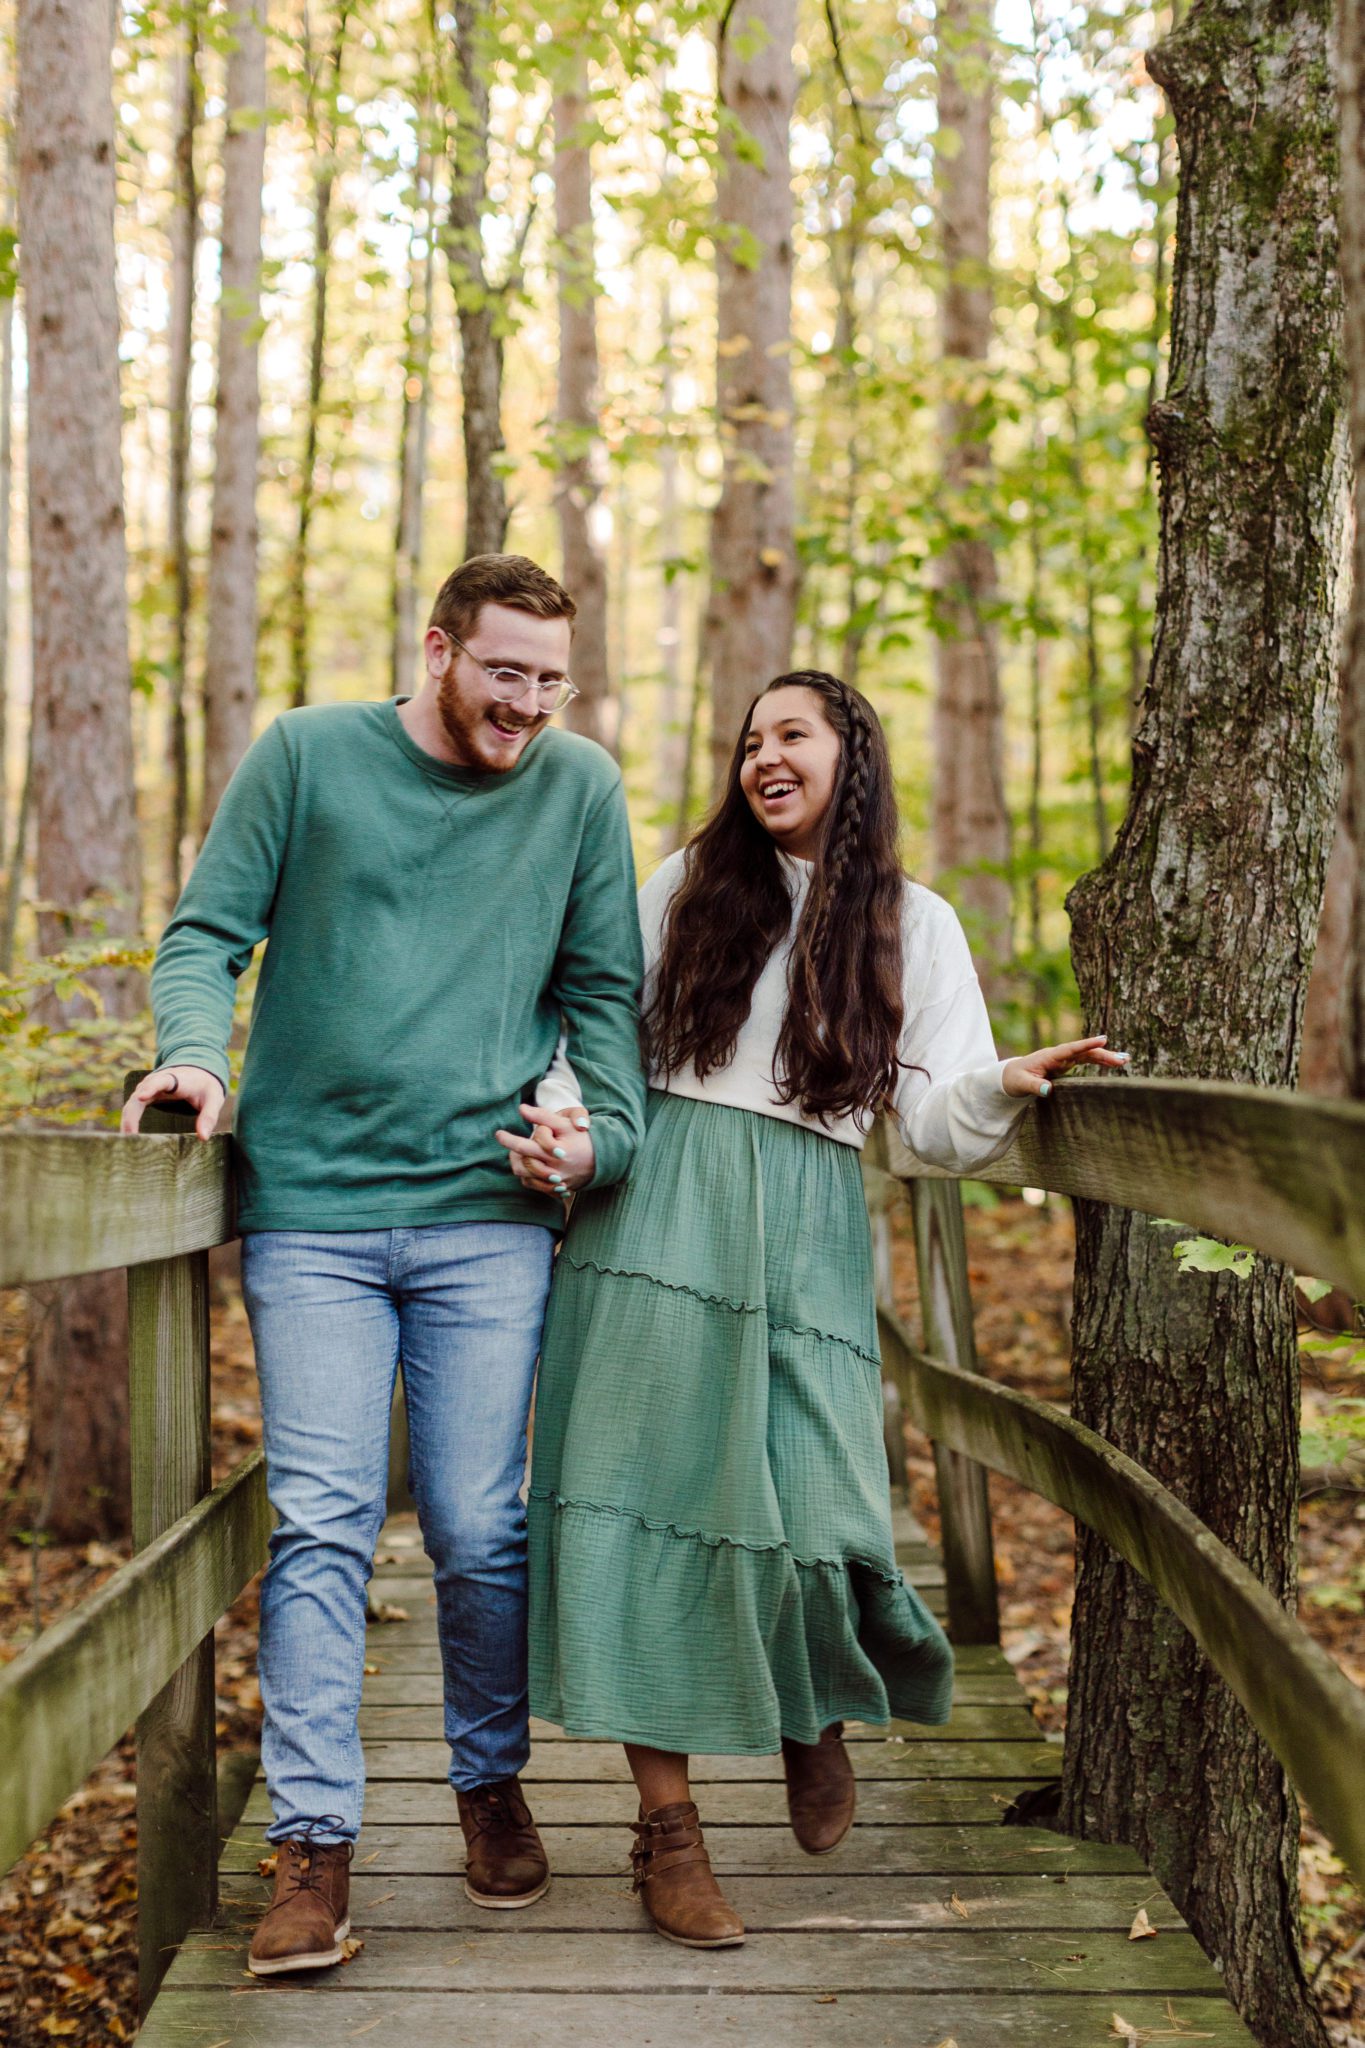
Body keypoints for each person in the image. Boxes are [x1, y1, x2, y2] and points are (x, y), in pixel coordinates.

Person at [500, 669, 1126, 1949]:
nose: (761, 755)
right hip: (655, 1206)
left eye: (791, 733)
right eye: (748, 739)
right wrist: (566, 1129)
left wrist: (1006, 1078)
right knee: (646, 1497)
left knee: (825, 1494)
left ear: (853, 754)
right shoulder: (685, 885)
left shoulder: (917, 921)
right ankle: (669, 1833)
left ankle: (814, 1705)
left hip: (809, 1221)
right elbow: (592, 1036)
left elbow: (936, 1120)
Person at [123, 554, 646, 1976]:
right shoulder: (304, 754)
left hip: (488, 1215)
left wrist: (601, 1141)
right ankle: (313, 1850)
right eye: (503, 674)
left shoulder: (579, 789)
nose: (528, 706)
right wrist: (187, 1055)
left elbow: (604, 997)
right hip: (314, 1216)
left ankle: (485, 1784)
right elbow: (208, 936)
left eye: (550, 680)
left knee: (481, 1526)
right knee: (325, 1522)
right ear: (436, 648)